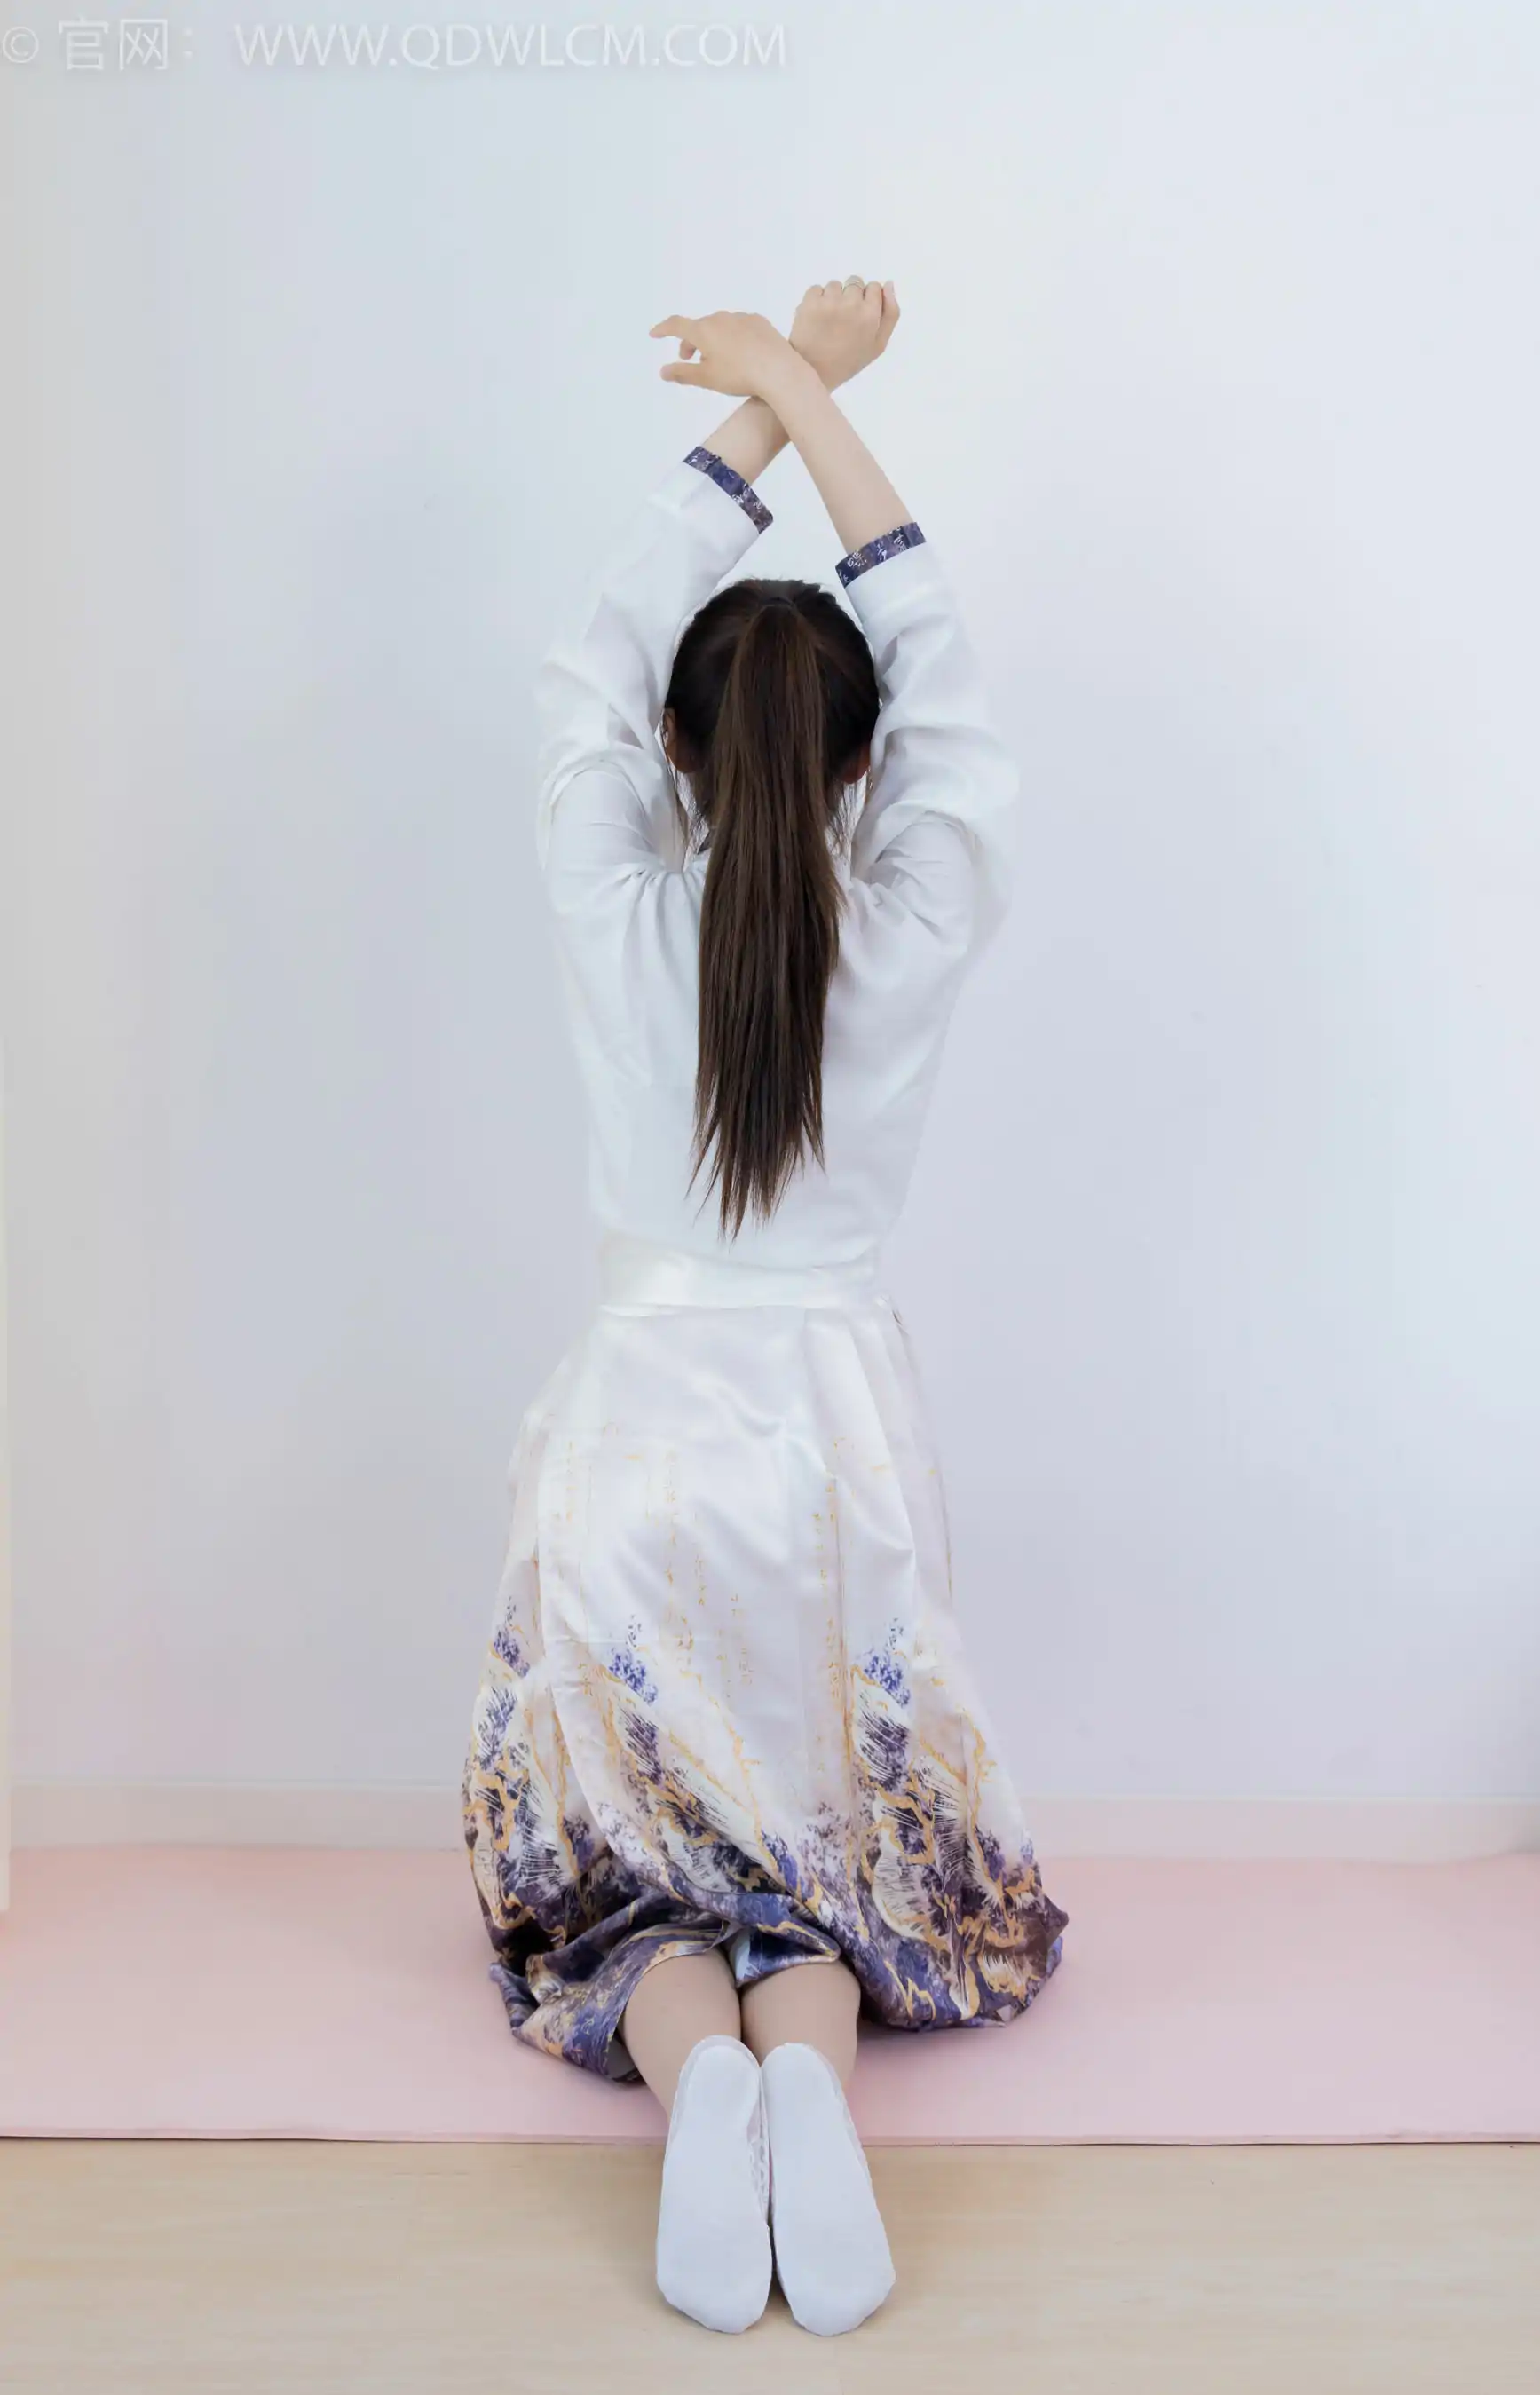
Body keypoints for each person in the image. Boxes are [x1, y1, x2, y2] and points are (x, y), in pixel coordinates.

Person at [462, 277, 1068, 2337]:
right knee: (813, 1850)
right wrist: (816, 396)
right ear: (869, 763)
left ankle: (699, 2076)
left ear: (672, 748)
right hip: (828, 1456)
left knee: (624, 1872)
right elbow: (951, 689)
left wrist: (756, 416)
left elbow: (592, 656)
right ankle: (808, 2077)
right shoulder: (918, 913)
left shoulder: (607, 892)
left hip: (629, 1450)